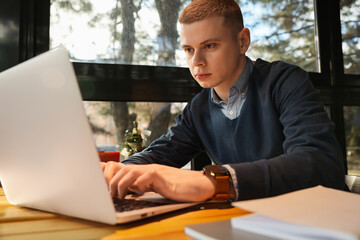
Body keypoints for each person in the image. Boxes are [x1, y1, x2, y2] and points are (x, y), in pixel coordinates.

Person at [101, 0, 346, 202]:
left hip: (318, 221)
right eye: (188, 49)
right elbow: (159, 155)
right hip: (250, 223)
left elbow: (319, 163)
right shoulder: (198, 108)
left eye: (209, 45)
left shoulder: (285, 81)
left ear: (242, 42)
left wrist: (212, 181)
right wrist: (119, 172)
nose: (197, 61)